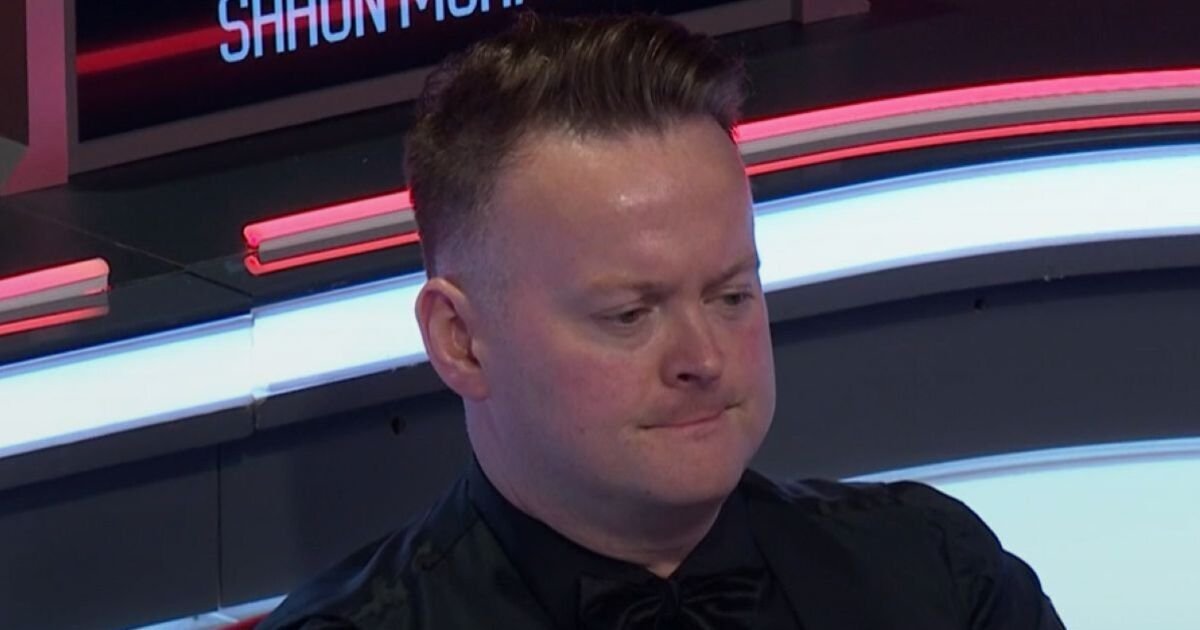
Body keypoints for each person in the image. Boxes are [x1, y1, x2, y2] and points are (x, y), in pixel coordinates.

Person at [258, 12, 1066, 630]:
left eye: (730, 295)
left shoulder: (937, 579)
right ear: (460, 342)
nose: (703, 358)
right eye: (629, 314)